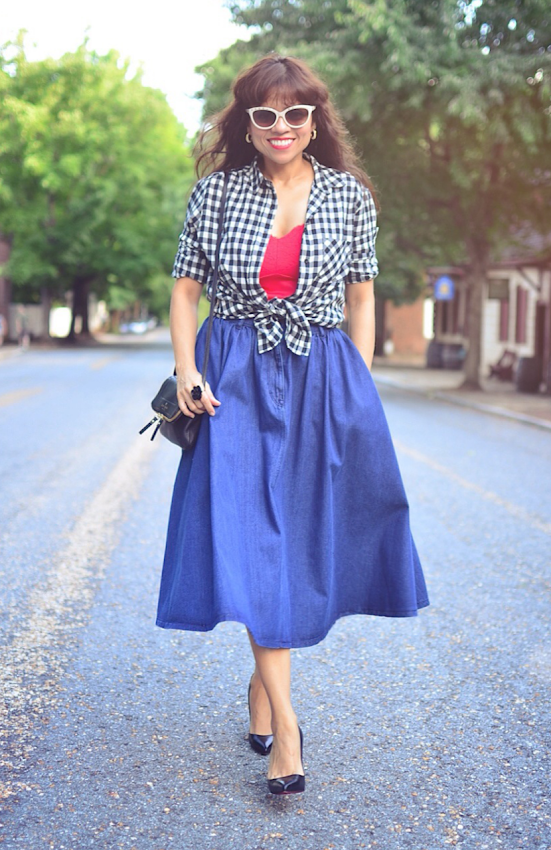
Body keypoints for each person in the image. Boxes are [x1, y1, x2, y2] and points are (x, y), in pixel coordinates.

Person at [156, 55, 429, 796]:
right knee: (252, 539)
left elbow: (362, 296)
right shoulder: (212, 196)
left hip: (318, 373)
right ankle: (287, 731)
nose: (282, 127)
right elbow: (185, 291)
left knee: (298, 535)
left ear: (315, 120)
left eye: (296, 114)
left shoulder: (348, 197)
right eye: (266, 114)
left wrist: (357, 386)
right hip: (235, 376)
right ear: (246, 124)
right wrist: (187, 369)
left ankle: (259, 688)